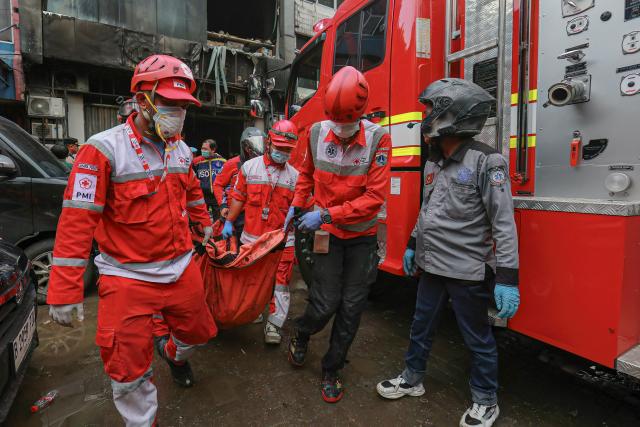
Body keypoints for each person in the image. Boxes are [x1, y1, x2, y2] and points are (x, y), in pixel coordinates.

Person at [46, 54, 217, 427]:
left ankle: (173, 353)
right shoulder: (103, 150)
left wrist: (204, 226)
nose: (178, 113)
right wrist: (63, 290)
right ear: (143, 101)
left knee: (199, 334)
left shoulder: (181, 149)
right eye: (170, 104)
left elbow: (191, 194)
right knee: (127, 369)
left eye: (183, 106)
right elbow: (77, 221)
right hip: (127, 276)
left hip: (180, 266)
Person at [375, 78, 520, 427]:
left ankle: (486, 400)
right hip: (433, 265)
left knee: (477, 339)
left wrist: (508, 278)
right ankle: (412, 378)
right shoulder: (434, 161)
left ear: (451, 115)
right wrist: (412, 244)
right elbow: (428, 210)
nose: (425, 117)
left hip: (468, 271)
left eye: (430, 110)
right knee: (420, 325)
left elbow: (504, 224)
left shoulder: (488, 162)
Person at [283, 66, 391, 403]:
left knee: (352, 306)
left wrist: (326, 213)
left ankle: (332, 368)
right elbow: (305, 174)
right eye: (335, 122)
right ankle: (302, 332)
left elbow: (374, 199)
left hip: (360, 236)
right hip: (327, 233)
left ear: (360, 115)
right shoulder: (316, 132)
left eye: (347, 124)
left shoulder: (379, 139)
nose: (340, 131)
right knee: (325, 301)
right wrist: (298, 205)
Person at [222, 120, 299, 344]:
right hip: (252, 239)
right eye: (280, 148)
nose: (283, 153)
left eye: (288, 150)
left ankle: (274, 325)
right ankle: (252, 309)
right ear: (268, 144)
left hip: (283, 241)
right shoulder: (250, 168)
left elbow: (303, 206)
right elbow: (238, 197)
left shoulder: (295, 177)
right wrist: (229, 221)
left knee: (281, 282)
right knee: (251, 279)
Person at [213, 127, 265, 226]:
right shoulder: (232, 164)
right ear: (244, 146)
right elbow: (218, 185)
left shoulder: (264, 165)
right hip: (235, 213)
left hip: (256, 213)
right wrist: (223, 205)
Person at [193, 139, 226, 217]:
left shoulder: (222, 161)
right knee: (201, 220)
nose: (203, 151)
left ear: (213, 149)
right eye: (202, 148)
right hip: (202, 196)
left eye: (205, 149)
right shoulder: (196, 162)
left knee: (218, 221)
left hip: (217, 197)